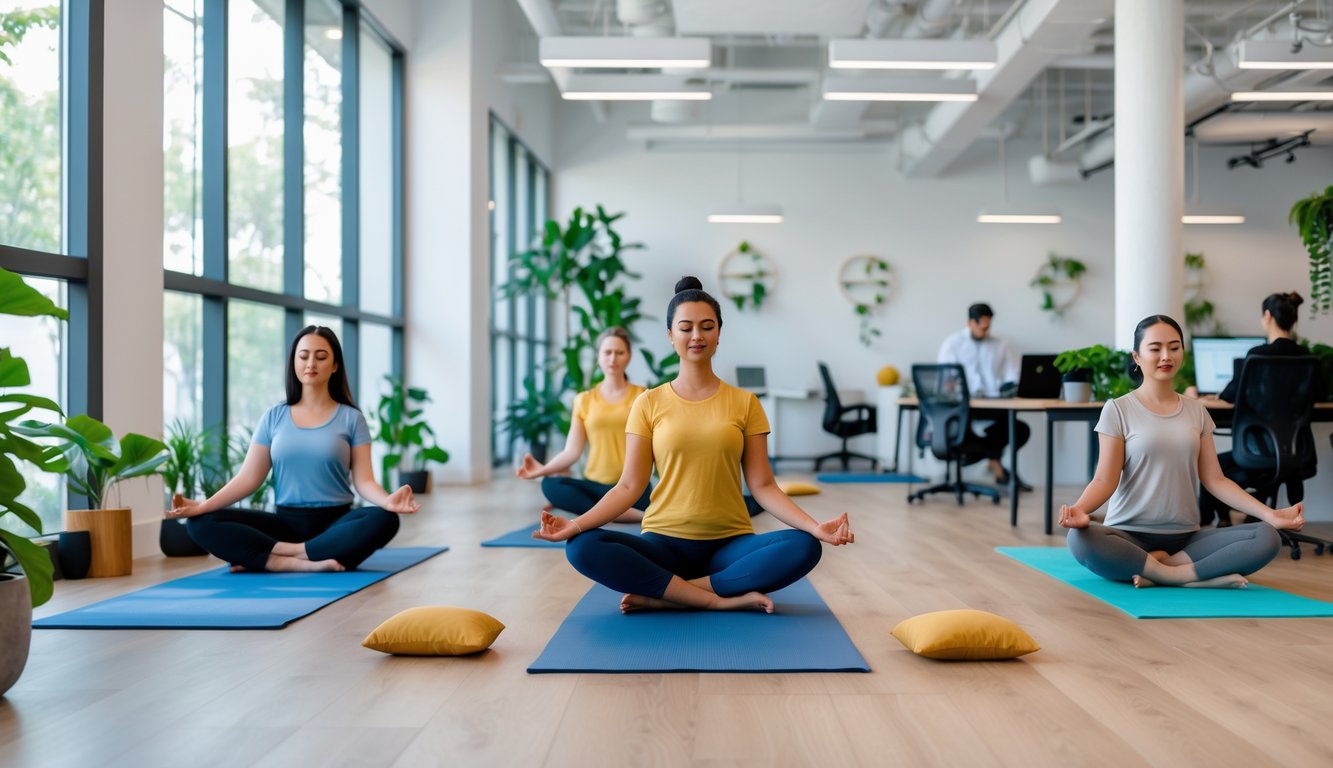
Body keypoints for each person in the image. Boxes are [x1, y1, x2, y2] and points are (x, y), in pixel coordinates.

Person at [532, 276, 853, 613]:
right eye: (686, 328)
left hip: (730, 545)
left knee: (804, 546)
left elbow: (762, 485)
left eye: (707, 326)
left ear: (718, 334)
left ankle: (671, 593)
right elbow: (628, 486)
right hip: (662, 544)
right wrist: (575, 524)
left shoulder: (746, 403)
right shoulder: (648, 403)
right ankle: (713, 598)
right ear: (671, 335)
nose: (697, 336)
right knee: (581, 546)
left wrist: (816, 527)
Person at [1058, 315, 1305, 588]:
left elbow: (1216, 480)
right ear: (1137, 357)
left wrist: (1270, 514)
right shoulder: (1118, 409)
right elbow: (1105, 480)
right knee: (1080, 539)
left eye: (1174, 347)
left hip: (1186, 539)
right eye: (1155, 348)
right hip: (1127, 536)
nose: (1166, 356)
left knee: (1267, 537)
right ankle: (1183, 575)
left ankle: (1162, 569)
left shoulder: (1197, 410)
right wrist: (1079, 510)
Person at [168, 325, 418, 572]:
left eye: (321, 357)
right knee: (200, 523)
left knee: (385, 519)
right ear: (294, 363)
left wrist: (388, 501)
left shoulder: (352, 419)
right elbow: (248, 478)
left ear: (335, 366)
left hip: (334, 525)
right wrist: (202, 506)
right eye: (304, 356)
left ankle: (285, 554)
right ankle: (289, 561)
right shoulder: (273, 417)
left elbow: (364, 482)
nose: (311, 363)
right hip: (285, 524)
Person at [1192, 291, 1324, 526]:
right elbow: (1320, 396)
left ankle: (1211, 520)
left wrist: (1198, 396)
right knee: (1227, 467)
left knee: (1209, 464)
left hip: (1255, 451)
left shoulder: (1257, 356)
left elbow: (1229, 396)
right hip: (1296, 453)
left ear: (1267, 316)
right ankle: (1246, 518)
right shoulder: (1309, 359)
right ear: (1294, 320)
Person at [515, 327, 650, 524]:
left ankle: (612, 513)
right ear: (598, 356)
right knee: (550, 485)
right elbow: (571, 451)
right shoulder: (584, 400)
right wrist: (541, 470)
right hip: (594, 487)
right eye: (607, 352)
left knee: (622, 495)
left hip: (633, 489)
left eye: (619, 352)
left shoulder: (643, 396)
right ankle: (628, 515)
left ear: (628, 356)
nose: (613, 358)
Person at [937, 302, 1032, 490]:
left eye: (988, 326)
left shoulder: (1000, 345)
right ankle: (997, 466)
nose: (985, 330)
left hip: (993, 402)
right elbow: (944, 377)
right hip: (964, 404)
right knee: (965, 429)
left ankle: (990, 459)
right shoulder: (953, 344)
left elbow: (1013, 373)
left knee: (1019, 429)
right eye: (981, 326)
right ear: (971, 323)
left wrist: (1010, 385)